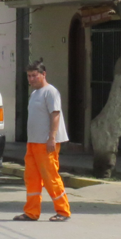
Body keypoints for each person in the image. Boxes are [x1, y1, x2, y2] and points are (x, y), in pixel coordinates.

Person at [15, 60, 71, 222]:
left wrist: (51, 138)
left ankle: (63, 211)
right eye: (29, 76)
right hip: (33, 142)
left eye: (34, 76)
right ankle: (31, 212)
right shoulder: (34, 94)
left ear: (43, 75)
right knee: (31, 178)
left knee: (50, 177)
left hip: (46, 143)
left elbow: (55, 115)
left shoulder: (50, 92)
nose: (31, 79)